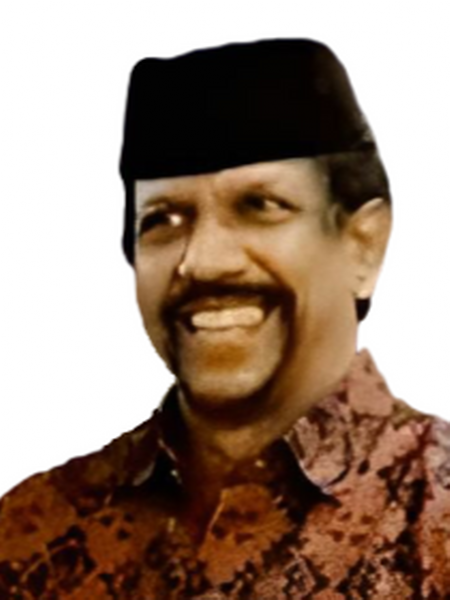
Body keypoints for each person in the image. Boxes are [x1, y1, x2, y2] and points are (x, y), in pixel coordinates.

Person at [1, 39, 449, 600]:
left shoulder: (436, 517)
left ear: (364, 244)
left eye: (260, 206)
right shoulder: (32, 533)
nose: (203, 261)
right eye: (162, 220)